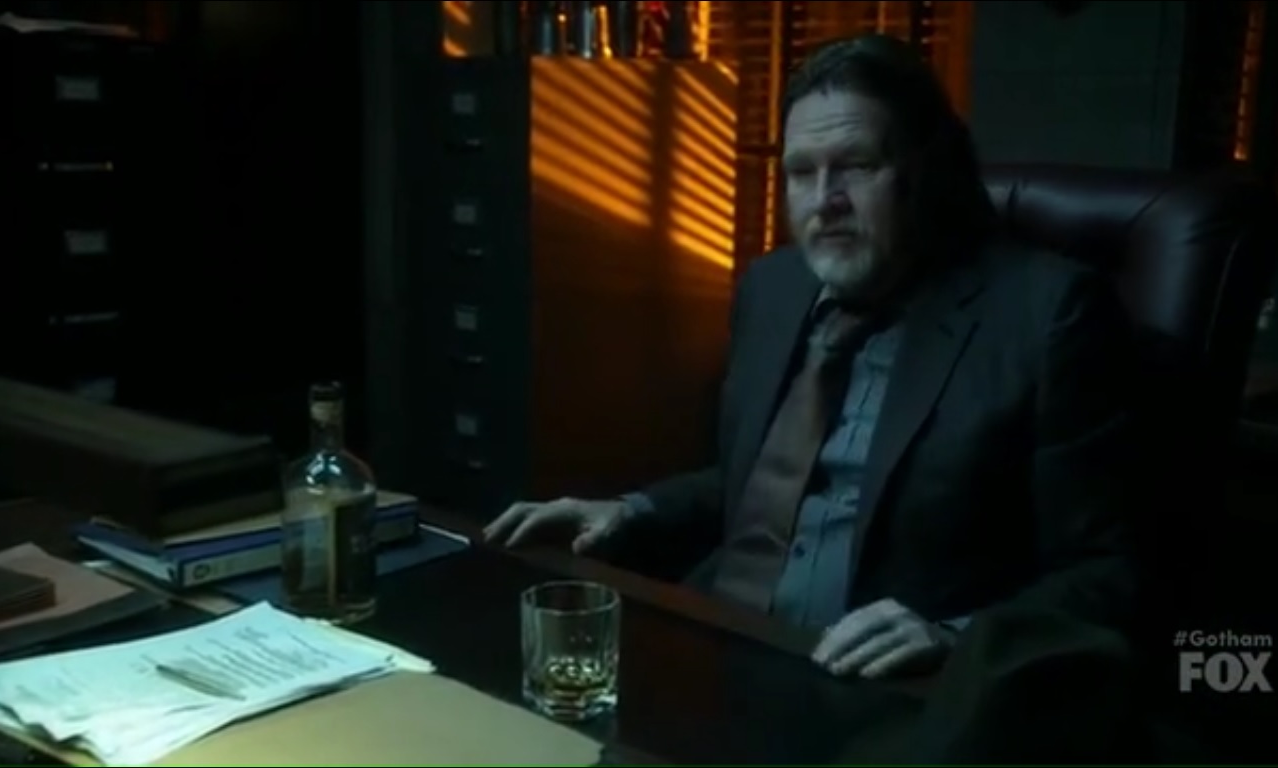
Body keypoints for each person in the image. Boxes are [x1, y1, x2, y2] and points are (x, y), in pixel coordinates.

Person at [484, 33, 1140, 679]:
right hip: (715, 645)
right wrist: (629, 511)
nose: (825, 202)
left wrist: (955, 637)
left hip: (875, 690)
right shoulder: (773, 287)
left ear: (927, 173)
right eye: (802, 172)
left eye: (855, 166)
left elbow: (1106, 572)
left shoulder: (1048, 314)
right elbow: (754, 485)